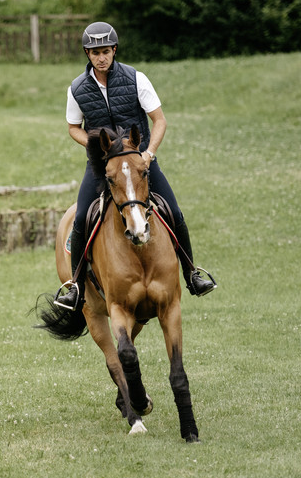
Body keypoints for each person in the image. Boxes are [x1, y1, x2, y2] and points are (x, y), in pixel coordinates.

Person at [54, 21, 216, 310]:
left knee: (174, 212)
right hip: (103, 167)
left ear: (114, 50)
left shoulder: (136, 79)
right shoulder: (77, 89)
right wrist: (95, 146)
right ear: (87, 55)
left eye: (105, 51)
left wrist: (149, 153)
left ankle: (192, 274)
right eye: (94, 53)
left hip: (141, 163)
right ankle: (76, 288)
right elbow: (72, 127)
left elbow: (160, 120)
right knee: (80, 220)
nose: (100, 57)